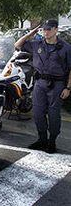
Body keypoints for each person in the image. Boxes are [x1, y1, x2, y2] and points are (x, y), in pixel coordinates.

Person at [14, 19, 71, 153]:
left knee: (53, 114)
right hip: (40, 83)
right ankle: (42, 139)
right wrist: (30, 33)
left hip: (57, 84)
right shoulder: (37, 44)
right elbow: (17, 45)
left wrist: (68, 88)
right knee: (38, 113)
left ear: (56, 30)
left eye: (49, 29)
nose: (46, 31)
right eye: (44, 29)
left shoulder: (66, 48)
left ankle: (52, 141)